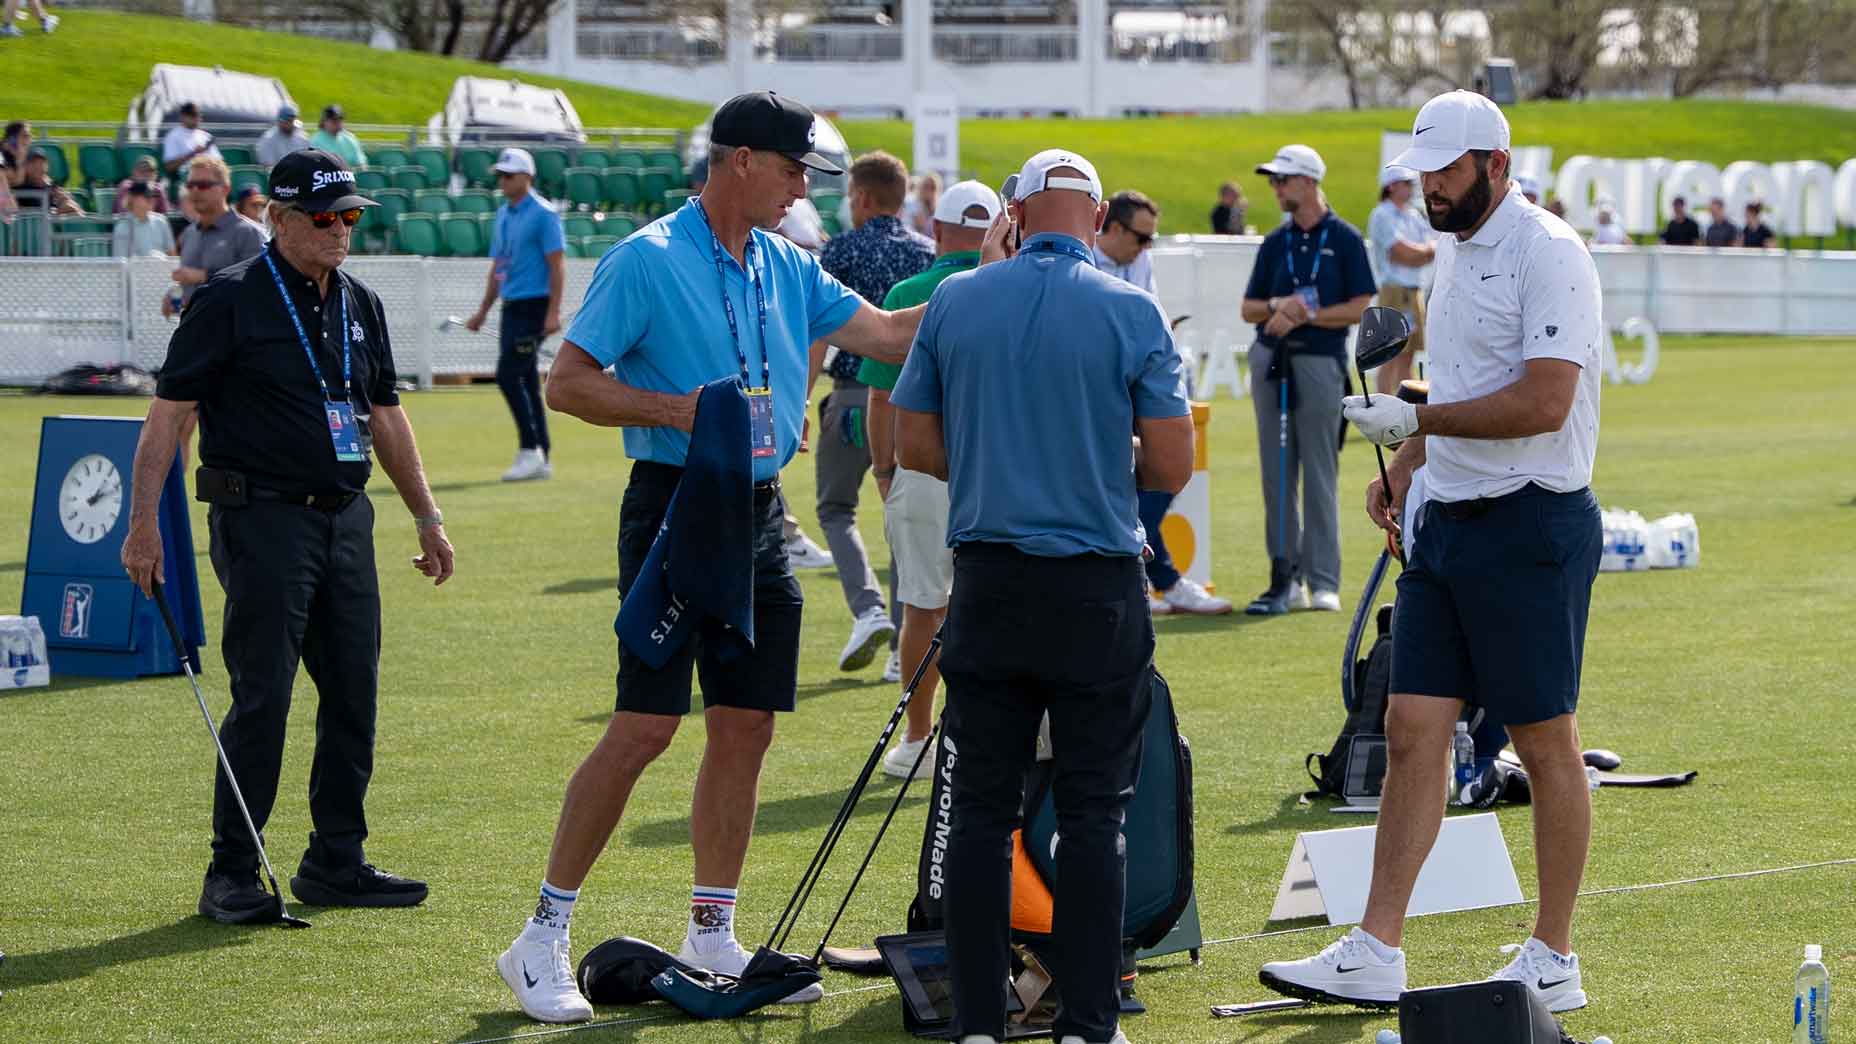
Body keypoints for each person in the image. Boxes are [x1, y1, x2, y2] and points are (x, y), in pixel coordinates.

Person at [494, 90, 931, 1025]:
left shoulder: (788, 261)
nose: (797, 192)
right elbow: (568, 382)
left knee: (746, 725)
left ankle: (711, 931)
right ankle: (540, 937)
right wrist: (678, 410)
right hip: (675, 509)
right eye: (787, 171)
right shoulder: (645, 259)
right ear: (739, 161)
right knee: (644, 728)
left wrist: (989, 283)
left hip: (761, 515)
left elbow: (890, 334)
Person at [1263, 89, 1603, 1016]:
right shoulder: (1452, 247)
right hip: (1448, 522)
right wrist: (1410, 462)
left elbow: (1542, 403)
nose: (1431, 193)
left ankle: (1554, 956)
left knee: (1545, 741)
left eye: (1446, 174)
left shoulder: (1551, 253)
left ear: (1496, 163)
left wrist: (1416, 419)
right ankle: (1376, 948)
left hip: (1533, 522)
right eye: (1422, 177)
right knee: (1412, 732)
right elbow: (1456, 384)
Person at [889, 147, 1193, 1044]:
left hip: (988, 582)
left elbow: (914, 444)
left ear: (1011, 217)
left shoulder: (954, 301)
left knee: (983, 814)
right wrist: (1094, 462)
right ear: (1098, 223)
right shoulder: (1131, 308)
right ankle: (1088, 1024)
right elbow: (1171, 462)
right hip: (1095, 588)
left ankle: (980, 1022)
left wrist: (998, 458)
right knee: (1095, 815)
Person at [120, 148, 453, 924]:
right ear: (279, 218)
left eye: (350, 217)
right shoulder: (230, 301)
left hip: (345, 516)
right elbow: (169, 414)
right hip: (261, 517)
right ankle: (232, 870)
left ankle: (336, 858)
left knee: (353, 695)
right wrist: (143, 527)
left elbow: (386, 415)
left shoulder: (359, 303)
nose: (340, 231)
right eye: (324, 218)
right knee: (263, 696)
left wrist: (427, 515)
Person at [855, 179, 999, 779]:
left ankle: (919, 738)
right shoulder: (1013, 289)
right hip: (999, 470)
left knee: (922, 608)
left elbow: (882, 397)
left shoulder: (912, 291)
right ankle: (993, 736)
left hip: (922, 466)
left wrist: (884, 467)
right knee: (998, 609)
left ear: (936, 231)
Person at [1239, 144, 1376, 615]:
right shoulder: (1275, 241)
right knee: (1276, 474)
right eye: (1273, 181)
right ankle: (1285, 576)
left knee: (1319, 471)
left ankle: (1323, 579)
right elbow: (1249, 307)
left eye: (1283, 179)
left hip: (1320, 363)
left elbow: (1362, 304)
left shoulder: (1344, 237)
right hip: (1271, 358)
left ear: (1309, 182)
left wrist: (1307, 313)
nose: (1276, 188)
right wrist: (1281, 306)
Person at [810, 149, 932, 675]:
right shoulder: (928, 253)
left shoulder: (839, 251)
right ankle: (906, 632)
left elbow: (817, 328)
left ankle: (868, 609)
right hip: (911, 404)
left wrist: (798, 400)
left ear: (860, 197)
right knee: (906, 516)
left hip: (850, 396)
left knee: (836, 510)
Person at [1093, 189, 1229, 615]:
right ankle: (1159, 578)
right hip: (1099, 393)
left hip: (1139, 385)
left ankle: (1152, 576)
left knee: (1165, 472)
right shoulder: (1080, 264)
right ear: (1111, 227)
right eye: (1141, 237)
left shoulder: (1139, 259)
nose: (1147, 247)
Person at [465, 148, 567, 482]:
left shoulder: (543, 214)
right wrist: (483, 310)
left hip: (534, 307)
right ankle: (543, 455)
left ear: (527, 177)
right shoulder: (504, 214)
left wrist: (553, 312)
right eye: (501, 175)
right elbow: (499, 267)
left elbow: (556, 264)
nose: (503, 181)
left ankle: (529, 450)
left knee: (508, 375)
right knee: (524, 380)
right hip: (512, 306)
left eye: (509, 175)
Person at [1367, 167, 1435, 395]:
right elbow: (1401, 252)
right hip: (1393, 291)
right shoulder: (1382, 214)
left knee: (1408, 357)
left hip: (1413, 291)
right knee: (1389, 355)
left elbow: (1427, 250)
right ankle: (1384, 409)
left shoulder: (1413, 215)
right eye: (1405, 183)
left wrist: (1419, 254)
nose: (1410, 187)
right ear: (1391, 186)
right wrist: (1422, 254)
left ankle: (1407, 411)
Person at [170, 155, 266, 314]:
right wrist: (176, 294)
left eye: (203, 185)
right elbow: (189, 284)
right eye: (190, 185)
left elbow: (258, 285)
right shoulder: (189, 233)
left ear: (225, 189)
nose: (195, 190)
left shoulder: (249, 233)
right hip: (195, 331)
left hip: (235, 333)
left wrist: (204, 276)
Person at [112, 181, 176, 257]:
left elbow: (173, 257)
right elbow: (120, 264)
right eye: (147, 196)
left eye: (153, 196)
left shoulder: (161, 221)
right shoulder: (122, 227)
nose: (152, 200)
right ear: (133, 199)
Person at [15, 149, 83, 215]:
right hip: (34, 222)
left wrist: (64, 202)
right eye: (33, 163)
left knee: (73, 207)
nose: (38, 166)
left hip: (54, 220)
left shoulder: (52, 186)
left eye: (42, 162)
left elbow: (68, 204)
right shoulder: (20, 187)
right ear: (26, 166)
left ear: (47, 166)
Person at [162, 102, 220, 177]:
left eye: (199, 115)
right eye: (193, 115)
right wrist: (193, 153)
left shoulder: (206, 136)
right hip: (188, 178)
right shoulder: (173, 136)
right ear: (182, 117)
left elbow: (219, 161)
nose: (197, 118)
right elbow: (169, 167)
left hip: (209, 176)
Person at [310, 105, 368, 171]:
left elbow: (361, 164)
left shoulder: (350, 138)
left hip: (352, 177)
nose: (337, 123)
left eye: (340, 119)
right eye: (333, 120)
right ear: (324, 121)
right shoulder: (316, 140)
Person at [256, 104, 312, 168]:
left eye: (292, 120)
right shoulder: (268, 139)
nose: (291, 124)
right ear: (279, 121)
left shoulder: (303, 138)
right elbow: (268, 167)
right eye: (288, 121)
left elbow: (308, 162)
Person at [902, 170, 940, 237]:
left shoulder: (939, 208)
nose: (929, 190)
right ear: (920, 187)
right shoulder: (910, 204)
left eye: (932, 187)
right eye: (926, 186)